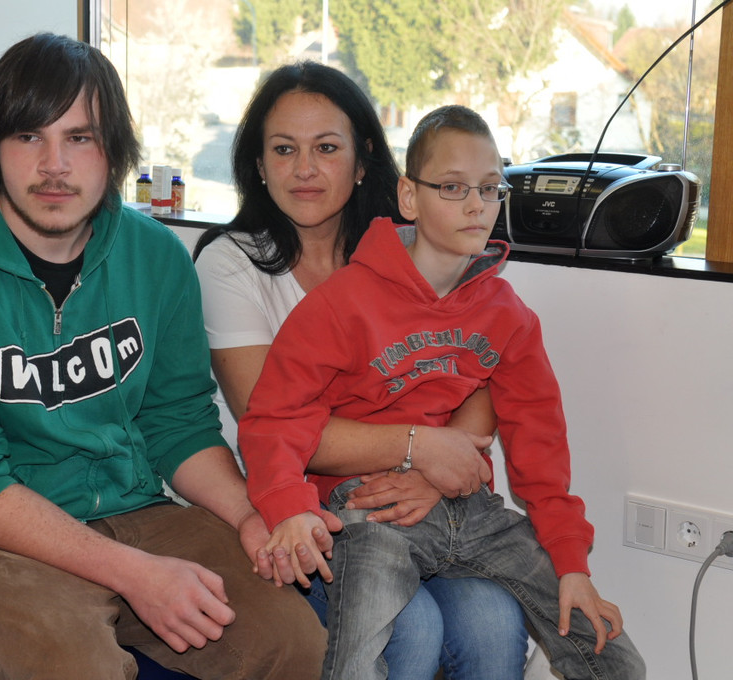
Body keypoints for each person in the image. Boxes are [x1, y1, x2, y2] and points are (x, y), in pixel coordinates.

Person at [0, 33, 329, 680]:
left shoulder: (156, 257)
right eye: (28, 136)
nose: (54, 165)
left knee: (297, 644)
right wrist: (138, 576)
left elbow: (177, 424)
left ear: (114, 150)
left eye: (80, 138)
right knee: (79, 668)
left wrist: (248, 516)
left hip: (133, 507)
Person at [238, 104, 647, 680]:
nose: (476, 205)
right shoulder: (341, 304)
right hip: (370, 510)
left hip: (470, 510)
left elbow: (539, 442)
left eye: (490, 188)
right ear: (409, 197)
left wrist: (572, 563)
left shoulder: (508, 315)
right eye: (453, 188)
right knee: (362, 657)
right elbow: (275, 418)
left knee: (611, 651)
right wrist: (289, 509)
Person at [195, 62, 529, 678]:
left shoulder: (404, 250)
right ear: (259, 164)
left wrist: (438, 473)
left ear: (362, 160)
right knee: (412, 626)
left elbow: (483, 370)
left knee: (494, 622)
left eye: (326, 148)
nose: (305, 169)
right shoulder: (229, 264)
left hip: (420, 504)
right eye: (284, 149)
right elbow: (277, 423)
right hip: (303, 512)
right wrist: (420, 446)